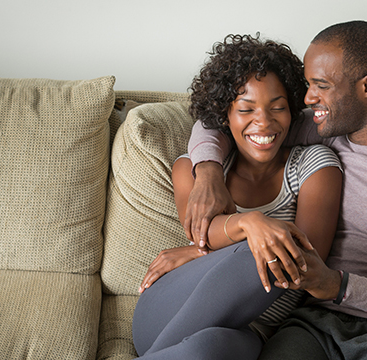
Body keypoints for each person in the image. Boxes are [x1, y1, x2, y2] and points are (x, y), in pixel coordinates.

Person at [185, 21, 367, 359]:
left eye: (321, 86)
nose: (309, 98)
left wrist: (337, 285)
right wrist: (208, 174)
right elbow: (217, 122)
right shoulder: (324, 130)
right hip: (313, 324)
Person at [132, 34, 342, 360]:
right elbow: (202, 234)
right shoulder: (194, 170)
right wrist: (250, 223)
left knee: (206, 350)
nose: (264, 122)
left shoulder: (315, 166)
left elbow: (305, 263)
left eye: (278, 108)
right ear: (223, 115)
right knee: (266, 243)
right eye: (246, 109)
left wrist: (198, 253)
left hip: (252, 333)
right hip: (167, 311)